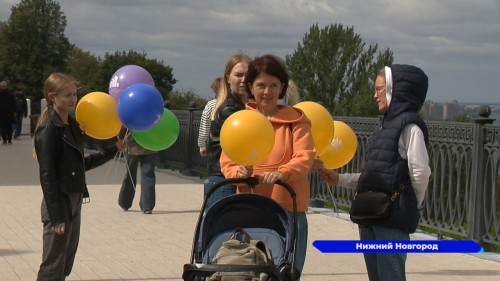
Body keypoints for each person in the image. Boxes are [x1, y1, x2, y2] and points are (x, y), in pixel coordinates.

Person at [318, 64, 431, 281]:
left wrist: (408, 205)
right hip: (371, 216)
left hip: (391, 220)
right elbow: (377, 176)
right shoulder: (385, 125)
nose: (375, 95)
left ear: (395, 90)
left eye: (379, 89)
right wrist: (340, 179)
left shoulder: (409, 127)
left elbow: (420, 173)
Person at [220, 54, 315, 280]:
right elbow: (228, 159)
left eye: (274, 85)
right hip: (251, 207)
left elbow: (305, 157)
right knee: (250, 270)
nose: (267, 92)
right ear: (251, 87)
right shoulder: (241, 120)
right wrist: (237, 172)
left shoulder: (296, 122)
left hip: (288, 208)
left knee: (286, 273)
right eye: (261, 85)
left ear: (282, 88)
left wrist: (282, 173)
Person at [33, 72, 126, 280]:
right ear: (52, 97)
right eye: (67, 95)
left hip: (75, 198)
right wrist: (56, 216)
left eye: (74, 94)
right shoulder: (48, 131)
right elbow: (47, 176)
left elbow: (82, 164)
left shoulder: (73, 126)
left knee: (66, 261)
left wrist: (113, 149)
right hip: (59, 201)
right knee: (53, 264)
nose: (73, 99)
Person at [205, 51, 252, 209]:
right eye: (238, 75)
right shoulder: (230, 109)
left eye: (248, 75)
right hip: (224, 181)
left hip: (228, 179)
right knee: (226, 232)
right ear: (228, 78)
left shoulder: (243, 106)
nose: (243, 80)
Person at [118, 130, 158, 214]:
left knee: (130, 174)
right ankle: (147, 206)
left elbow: (124, 121)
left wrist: (121, 138)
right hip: (150, 143)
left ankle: (125, 203)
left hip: (132, 143)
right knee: (148, 174)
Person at [198, 77, 221, 157]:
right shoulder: (233, 104)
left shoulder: (211, 105)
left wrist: (202, 146)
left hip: (215, 145)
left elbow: (205, 127)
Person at [0, 80, 16, 145]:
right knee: (9, 126)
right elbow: (14, 103)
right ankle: (9, 140)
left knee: (2, 127)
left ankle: (4, 140)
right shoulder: (11, 94)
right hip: (9, 113)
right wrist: (15, 112)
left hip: (1, 114)